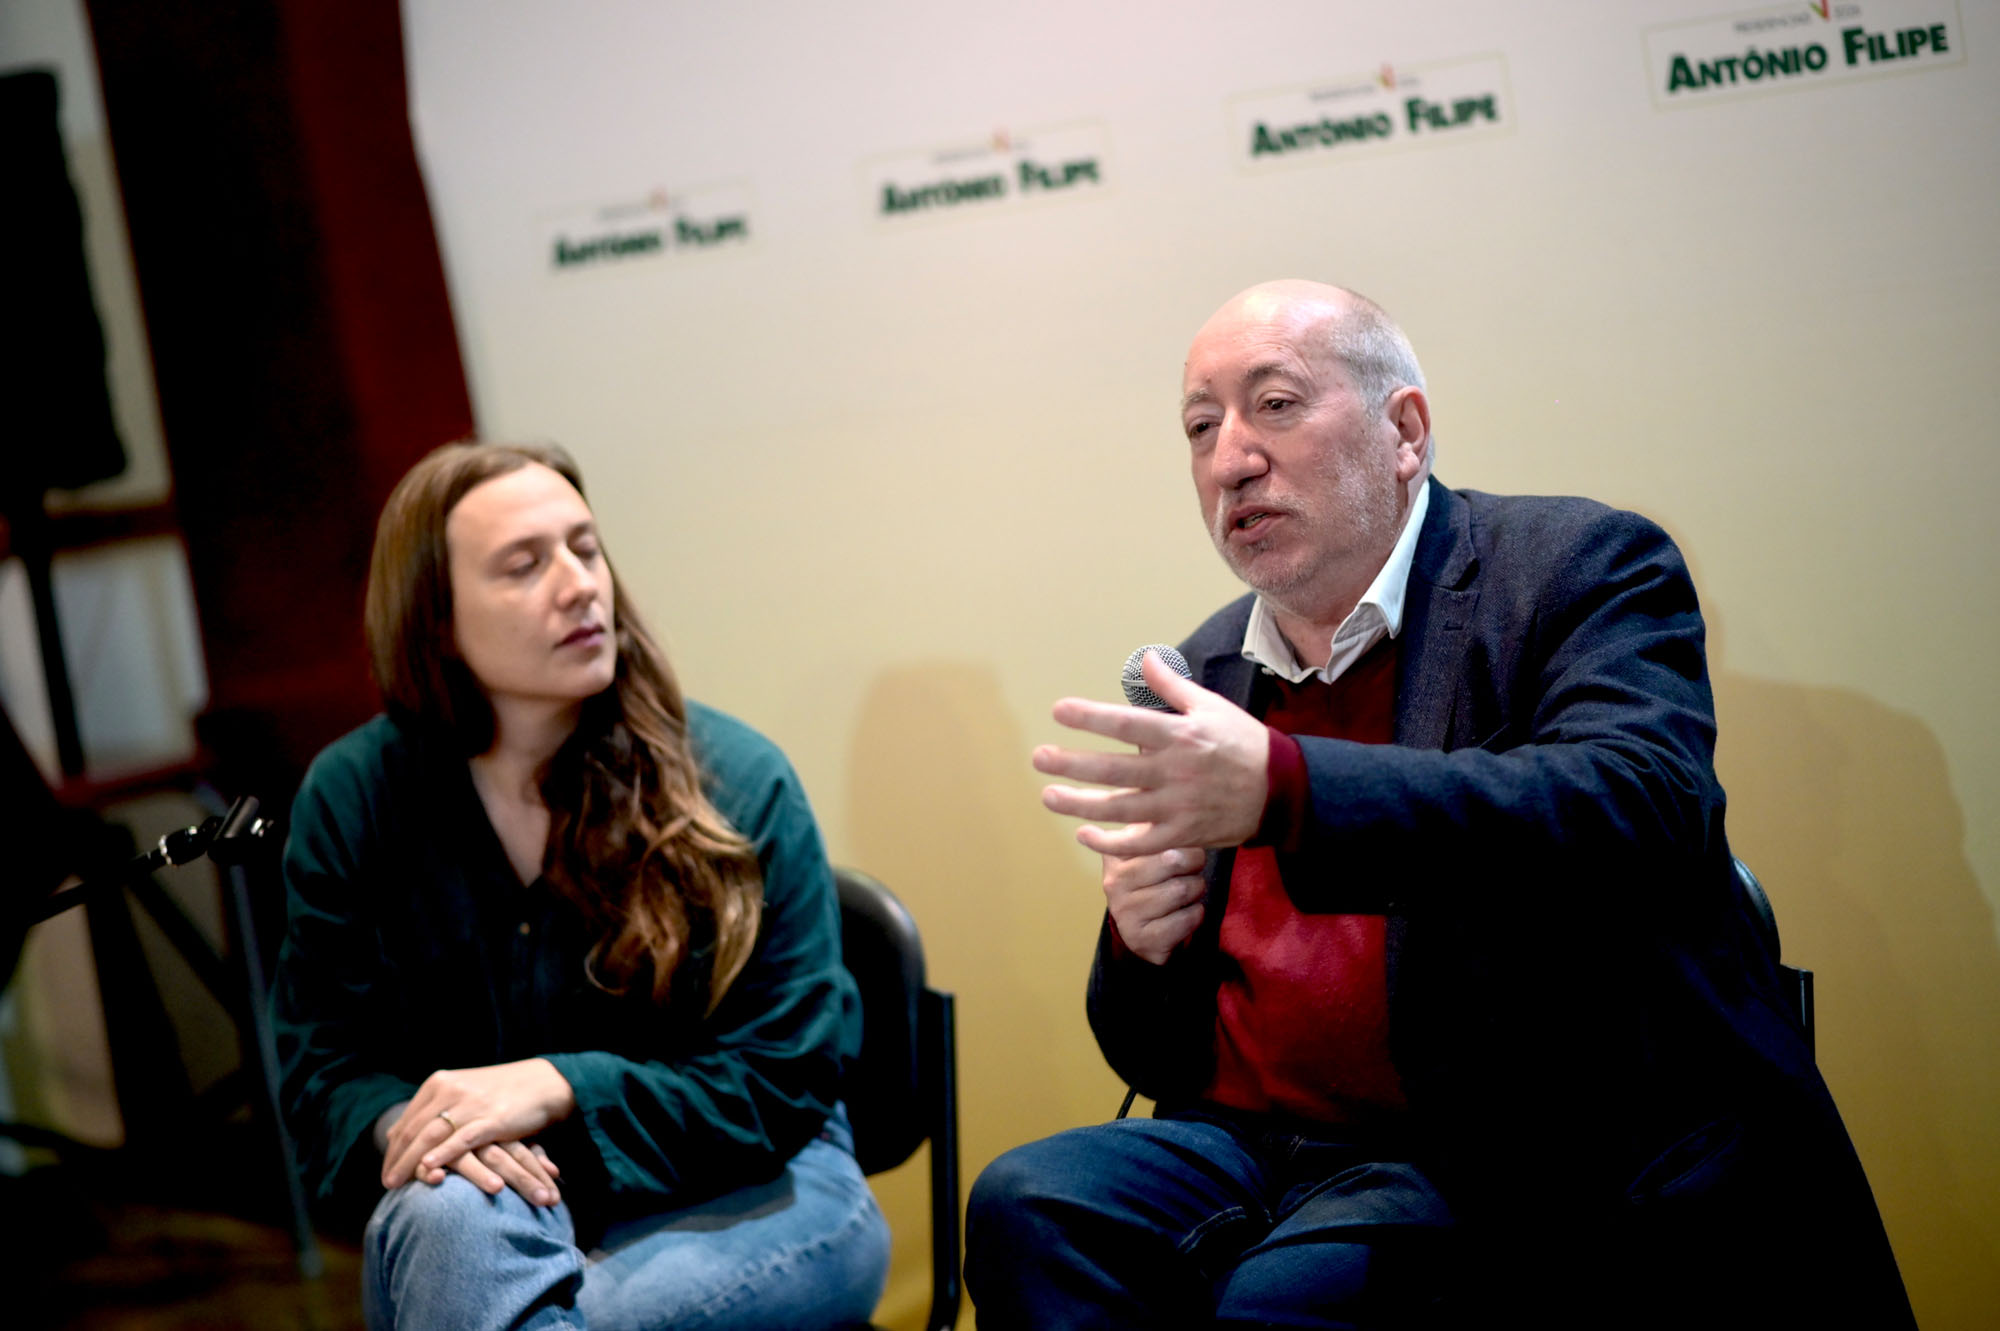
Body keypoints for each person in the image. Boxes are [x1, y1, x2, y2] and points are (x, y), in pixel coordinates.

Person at [963, 281, 1913, 1328]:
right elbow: (1147, 1056)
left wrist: (1290, 786)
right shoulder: (1207, 668)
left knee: (1289, 1295)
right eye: (1200, 426)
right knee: (1027, 1201)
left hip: (1496, 1132)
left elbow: (1643, 802)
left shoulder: (1571, 570)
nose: (1230, 457)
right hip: (1251, 1143)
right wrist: (1142, 943)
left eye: (1274, 405)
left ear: (1405, 432)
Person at [270, 442, 889, 1330]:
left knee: (476, 1290)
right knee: (449, 1220)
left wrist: (559, 1085)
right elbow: (322, 1066)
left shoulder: (738, 782)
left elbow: (781, 1080)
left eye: (585, 548)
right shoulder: (354, 796)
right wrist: (425, 1129)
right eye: (524, 565)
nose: (579, 585)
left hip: (762, 1186)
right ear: (435, 620)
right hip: (499, 1198)